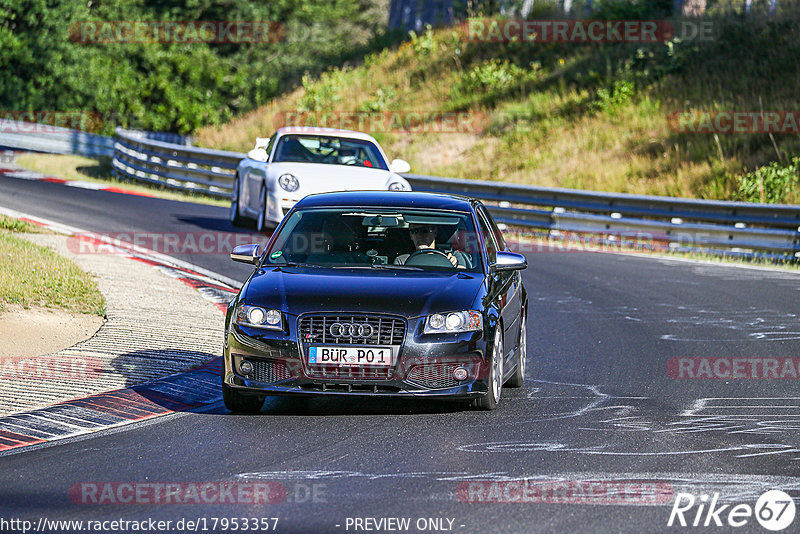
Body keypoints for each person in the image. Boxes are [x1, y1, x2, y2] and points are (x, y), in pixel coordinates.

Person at [394, 224, 470, 268]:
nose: (419, 235)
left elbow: (461, 281)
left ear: (435, 232)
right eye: (414, 231)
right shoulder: (402, 261)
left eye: (424, 231)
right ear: (410, 235)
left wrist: (454, 266)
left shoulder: (454, 256)